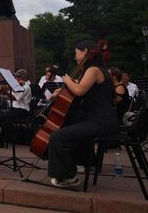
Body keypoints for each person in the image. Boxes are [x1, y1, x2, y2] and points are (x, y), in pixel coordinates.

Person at [48, 40, 119, 188]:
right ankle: (87, 162)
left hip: (101, 121)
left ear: (85, 51)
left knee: (57, 136)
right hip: (102, 120)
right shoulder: (99, 69)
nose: (75, 57)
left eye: (76, 53)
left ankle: (67, 177)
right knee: (74, 126)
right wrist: (62, 91)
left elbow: (80, 90)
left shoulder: (93, 70)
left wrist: (67, 80)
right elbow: (80, 90)